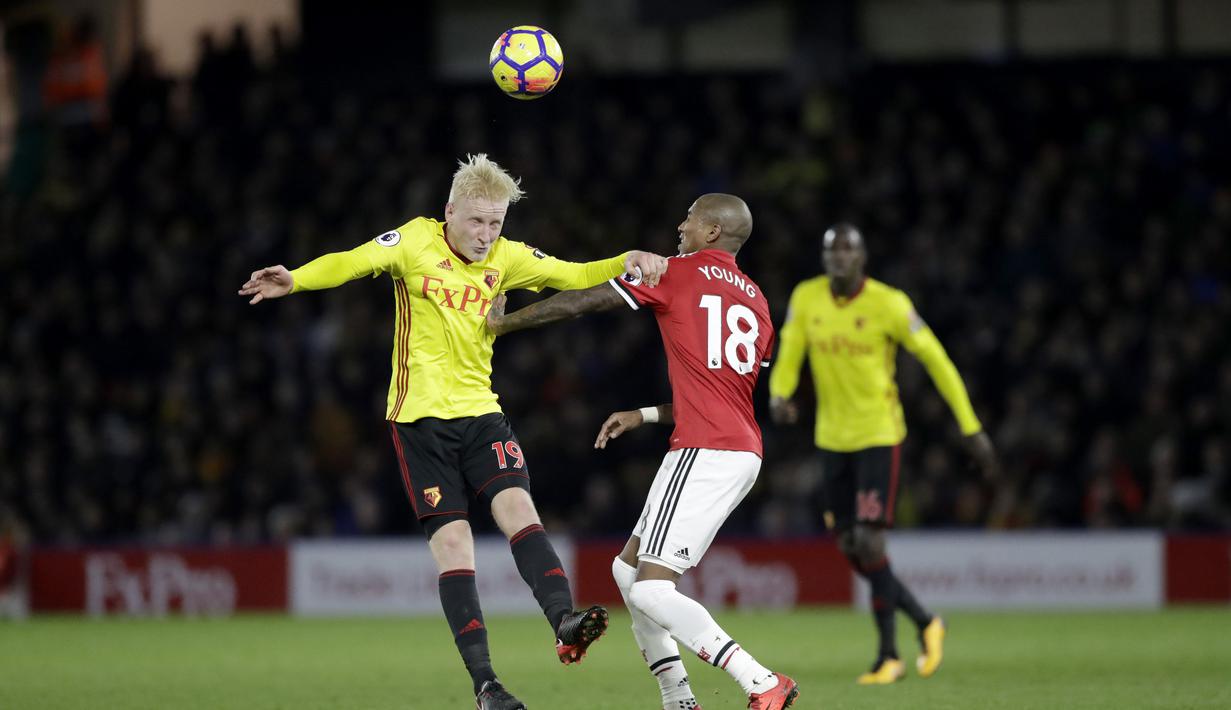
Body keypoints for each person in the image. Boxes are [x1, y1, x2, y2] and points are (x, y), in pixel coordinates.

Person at [239, 154, 669, 710]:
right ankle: (487, 686)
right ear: (449, 212)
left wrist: (626, 259)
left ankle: (564, 620)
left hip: (482, 413)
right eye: (476, 221)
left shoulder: (507, 257)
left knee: (519, 509)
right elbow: (352, 261)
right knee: (453, 543)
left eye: (496, 223)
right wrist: (295, 279)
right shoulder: (413, 242)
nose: (487, 234)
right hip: (419, 422)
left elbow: (574, 273)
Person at [486, 194, 799, 710]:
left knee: (652, 590)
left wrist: (506, 323)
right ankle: (678, 698)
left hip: (706, 449)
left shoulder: (678, 272)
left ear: (712, 231)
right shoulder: (758, 302)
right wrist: (646, 415)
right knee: (627, 572)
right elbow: (720, 392)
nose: (681, 225)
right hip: (736, 447)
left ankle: (760, 681)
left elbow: (586, 301)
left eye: (691, 218)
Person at [767, 223, 999, 684]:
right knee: (851, 546)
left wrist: (970, 426)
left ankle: (888, 656)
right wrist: (779, 394)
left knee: (869, 542)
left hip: (878, 435)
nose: (839, 258)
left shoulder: (889, 303)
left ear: (862, 258)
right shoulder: (806, 297)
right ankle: (927, 622)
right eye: (831, 250)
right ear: (824, 258)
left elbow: (936, 359)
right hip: (831, 440)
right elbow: (789, 351)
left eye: (847, 250)